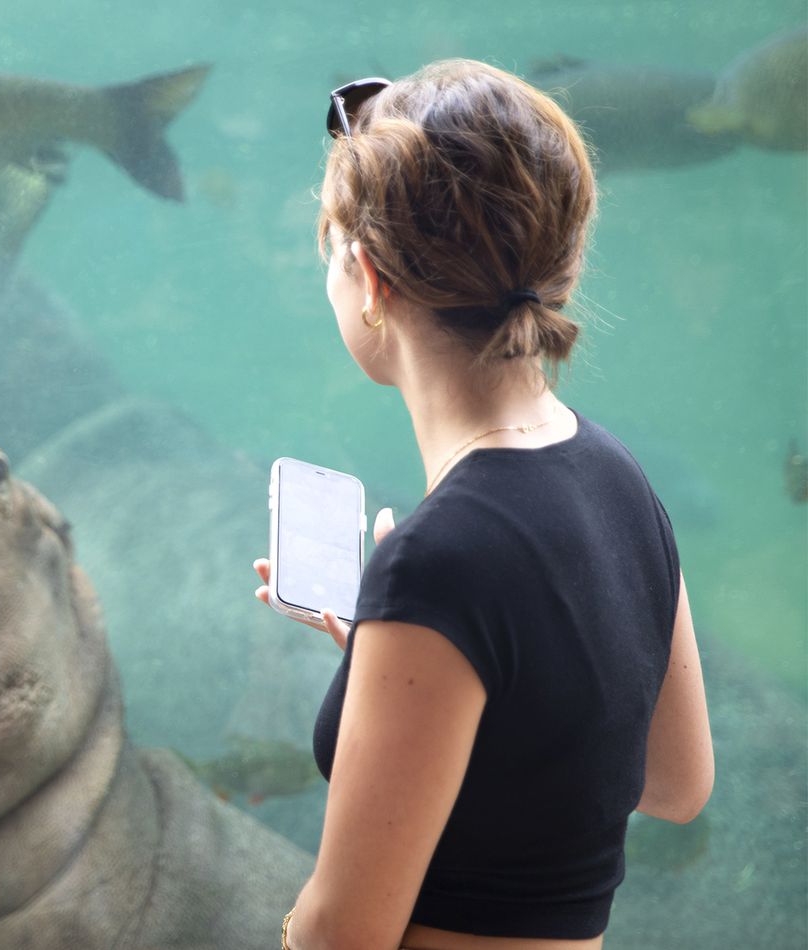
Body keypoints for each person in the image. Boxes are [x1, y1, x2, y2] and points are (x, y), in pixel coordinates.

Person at [252, 60, 713, 949]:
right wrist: (408, 674)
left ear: (373, 282)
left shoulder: (435, 562)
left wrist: (416, 630)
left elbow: (339, 936)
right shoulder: (621, 478)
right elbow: (674, 783)